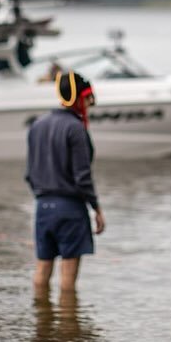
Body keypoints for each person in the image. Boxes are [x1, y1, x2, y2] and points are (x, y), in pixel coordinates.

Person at [25, 71, 106, 293]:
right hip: (70, 208)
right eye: (88, 100)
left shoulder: (37, 125)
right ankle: (69, 325)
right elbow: (83, 177)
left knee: (42, 270)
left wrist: (45, 198)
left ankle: (43, 323)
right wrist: (96, 208)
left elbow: (29, 174)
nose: (89, 105)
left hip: (42, 207)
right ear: (80, 98)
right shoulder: (75, 128)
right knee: (68, 280)